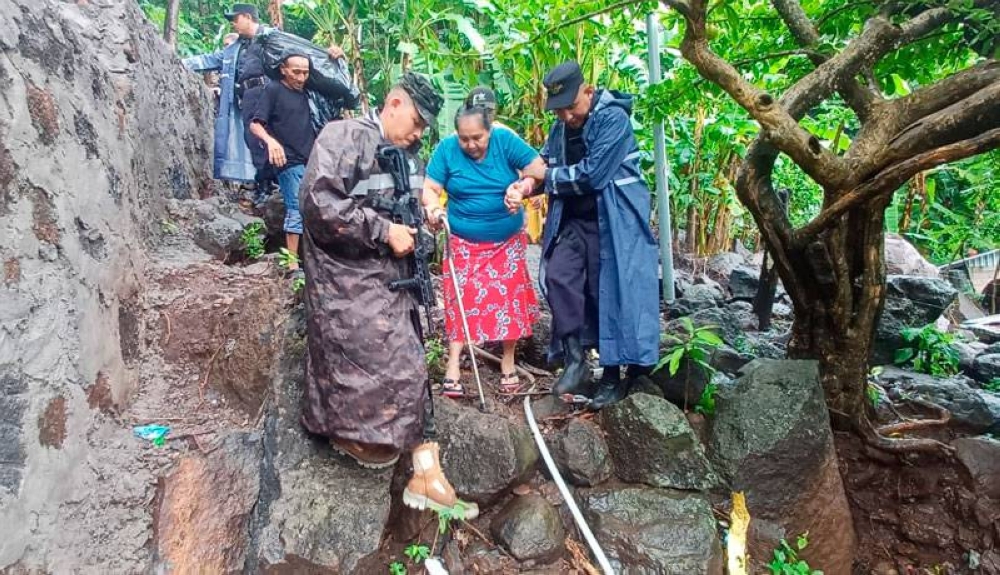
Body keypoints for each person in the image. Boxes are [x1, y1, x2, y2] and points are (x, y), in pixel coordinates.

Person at [299, 72, 478, 518]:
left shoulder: (410, 158)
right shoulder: (343, 136)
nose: (418, 133)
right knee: (391, 358)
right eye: (416, 122)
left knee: (414, 359)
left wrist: (427, 225)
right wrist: (383, 230)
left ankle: (425, 470)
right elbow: (318, 205)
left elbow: (412, 215)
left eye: (424, 128)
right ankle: (365, 440)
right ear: (393, 104)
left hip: (392, 277)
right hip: (346, 277)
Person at [506, 60, 659, 410]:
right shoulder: (560, 128)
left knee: (608, 293)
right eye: (558, 111)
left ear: (588, 91)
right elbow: (541, 165)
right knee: (559, 276)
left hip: (614, 221)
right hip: (574, 221)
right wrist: (524, 185)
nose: (566, 117)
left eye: (571, 107)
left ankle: (611, 375)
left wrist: (545, 175)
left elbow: (592, 175)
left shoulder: (613, 120)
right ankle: (576, 358)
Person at [421, 107, 546, 397]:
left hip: (505, 241)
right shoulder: (447, 149)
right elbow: (430, 187)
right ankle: (453, 363)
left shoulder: (505, 140)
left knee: (508, 298)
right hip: (463, 240)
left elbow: (538, 169)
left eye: (477, 137)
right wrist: (433, 206)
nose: (471, 145)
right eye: (464, 139)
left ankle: (508, 360)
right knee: (459, 299)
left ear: (489, 131)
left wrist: (522, 186)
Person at [249, 53, 313, 274]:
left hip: (312, 160)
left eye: (305, 72)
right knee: (296, 208)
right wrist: (270, 142)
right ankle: (292, 263)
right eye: (296, 72)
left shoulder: (309, 93)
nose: (301, 77)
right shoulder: (274, 90)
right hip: (288, 160)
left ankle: (310, 259)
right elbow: (255, 125)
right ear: (283, 69)